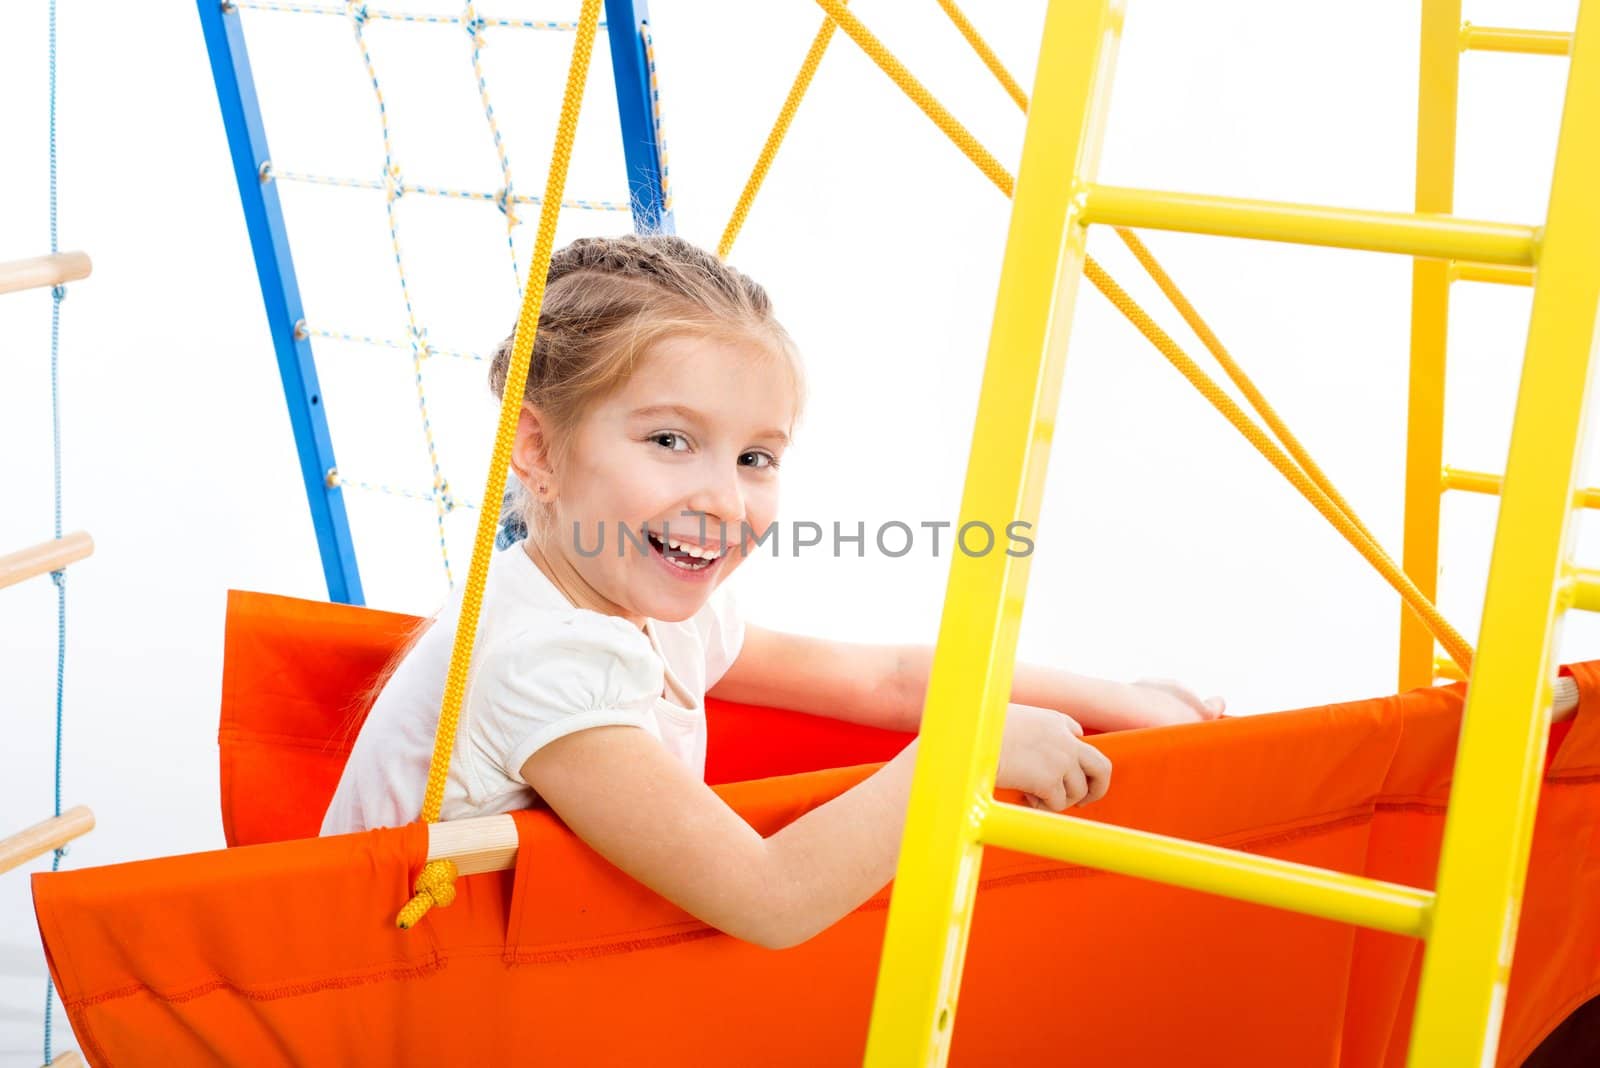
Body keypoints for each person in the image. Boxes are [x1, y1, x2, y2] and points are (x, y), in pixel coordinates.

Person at [321, 233, 1224, 950]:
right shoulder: (542, 661)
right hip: (393, 993)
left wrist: (1135, 703)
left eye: (756, 457)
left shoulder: (641, 597)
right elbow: (770, 900)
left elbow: (887, 683)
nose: (722, 498)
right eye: (670, 441)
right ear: (538, 448)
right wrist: (965, 757)